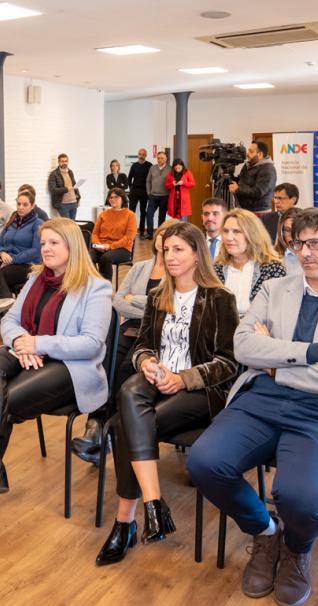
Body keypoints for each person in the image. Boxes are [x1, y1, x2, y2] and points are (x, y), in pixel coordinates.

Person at [187, 209, 318, 606]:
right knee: (204, 462)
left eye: (317, 243)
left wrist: (278, 368)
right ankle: (265, 533)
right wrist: (313, 354)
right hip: (262, 400)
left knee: (301, 496)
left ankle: (296, 548)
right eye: (298, 243)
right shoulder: (275, 289)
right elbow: (244, 348)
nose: (306, 252)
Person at [0, 218, 112, 541]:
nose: (46, 249)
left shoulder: (95, 287)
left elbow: (92, 344)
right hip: (29, 355)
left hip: (71, 368)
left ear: (73, 247)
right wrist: (19, 343)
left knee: (3, 399)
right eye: (43, 243)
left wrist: (38, 343)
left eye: (54, 243)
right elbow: (10, 320)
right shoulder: (35, 279)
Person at [96, 222, 239, 565]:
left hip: (200, 390)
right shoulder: (160, 295)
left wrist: (184, 378)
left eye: (179, 250)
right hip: (159, 379)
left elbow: (229, 362)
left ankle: (125, 522)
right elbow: (142, 344)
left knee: (122, 426)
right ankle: (153, 503)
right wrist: (146, 362)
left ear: (197, 254)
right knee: (129, 389)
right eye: (166, 249)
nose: (169, 256)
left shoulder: (220, 298)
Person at [72, 220, 177, 462]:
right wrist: (148, 302)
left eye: (170, 237)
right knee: (104, 363)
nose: (164, 241)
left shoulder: (176, 270)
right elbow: (118, 301)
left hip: (157, 334)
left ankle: (104, 432)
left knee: (125, 369)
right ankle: (97, 427)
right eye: (161, 235)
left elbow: (167, 308)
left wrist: (137, 300)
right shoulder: (140, 267)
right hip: (130, 328)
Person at [0, 190, 45, 342]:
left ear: (33, 206)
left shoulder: (38, 224)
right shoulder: (12, 221)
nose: (20, 207)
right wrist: (2, 253)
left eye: (25, 204)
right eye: (18, 204)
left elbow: (35, 251)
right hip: (6, 261)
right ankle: (3, 298)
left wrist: (13, 259)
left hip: (28, 265)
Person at [214, 209, 287, 317]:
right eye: (225, 231)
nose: (229, 238)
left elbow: (278, 312)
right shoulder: (216, 268)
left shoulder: (272, 268)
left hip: (255, 330)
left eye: (236, 231)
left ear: (252, 235)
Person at [90, 188, 138, 281]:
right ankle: (95, 283)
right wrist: (98, 244)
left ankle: (106, 288)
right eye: (110, 197)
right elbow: (95, 233)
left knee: (106, 258)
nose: (113, 199)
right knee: (87, 256)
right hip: (102, 246)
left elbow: (129, 238)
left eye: (116, 197)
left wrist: (110, 246)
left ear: (122, 198)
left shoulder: (130, 215)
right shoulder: (103, 214)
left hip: (122, 249)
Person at [229, 142, 276, 213]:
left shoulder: (268, 169)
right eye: (248, 151)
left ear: (260, 154)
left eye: (251, 152)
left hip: (259, 212)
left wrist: (238, 189)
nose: (247, 154)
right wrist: (229, 176)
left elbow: (258, 192)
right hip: (245, 210)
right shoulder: (248, 165)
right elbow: (240, 181)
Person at [127, 149, 153, 238]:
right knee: (131, 212)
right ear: (138, 155)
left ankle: (142, 231)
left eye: (143, 154)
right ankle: (131, 231)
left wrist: (149, 190)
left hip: (144, 192)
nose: (141, 156)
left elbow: (151, 179)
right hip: (134, 192)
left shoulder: (149, 165)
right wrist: (131, 188)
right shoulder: (134, 165)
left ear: (146, 155)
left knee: (143, 212)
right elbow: (129, 178)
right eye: (140, 154)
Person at [48, 153, 81, 219]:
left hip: (73, 202)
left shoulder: (70, 172)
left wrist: (78, 198)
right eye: (62, 161)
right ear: (59, 162)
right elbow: (53, 190)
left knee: (72, 224)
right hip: (63, 204)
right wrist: (66, 189)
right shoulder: (54, 174)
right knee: (67, 225)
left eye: (66, 161)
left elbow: (74, 186)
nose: (64, 163)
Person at [275, 207, 306, 276]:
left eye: (297, 230)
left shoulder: (312, 254)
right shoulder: (273, 256)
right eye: (288, 230)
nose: (293, 235)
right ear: (282, 232)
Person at [145, 151, 170, 235]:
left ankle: (159, 234)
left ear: (166, 159)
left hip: (165, 196)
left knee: (161, 217)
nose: (159, 160)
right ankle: (149, 234)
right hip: (153, 196)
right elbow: (148, 181)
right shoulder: (152, 168)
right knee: (149, 214)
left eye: (162, 158)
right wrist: (148, 192)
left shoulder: (170, 169)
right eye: (158, 158)